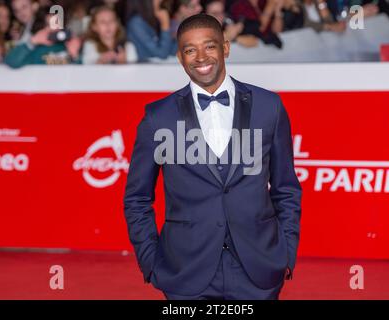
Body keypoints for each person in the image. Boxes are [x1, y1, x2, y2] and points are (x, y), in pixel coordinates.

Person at [123, 13, 302, 300]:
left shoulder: (269, 106)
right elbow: (137, 198)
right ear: (180, 57)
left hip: (257, 271)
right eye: (190, 49)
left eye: (209, 46)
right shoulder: (158, 117)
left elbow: (286, 189)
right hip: (185, 274)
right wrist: (151, 262)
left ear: (226, 47)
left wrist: (285, 253)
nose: (201, 57)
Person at [4, 7, 81, 68]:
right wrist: (32, 42)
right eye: (49, 25)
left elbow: (81, 77)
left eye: (56, 23)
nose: (53, 28)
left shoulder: (68, 45)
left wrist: (75, 56)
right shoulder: (35, 49)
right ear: (41, 27)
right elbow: (12, 62)